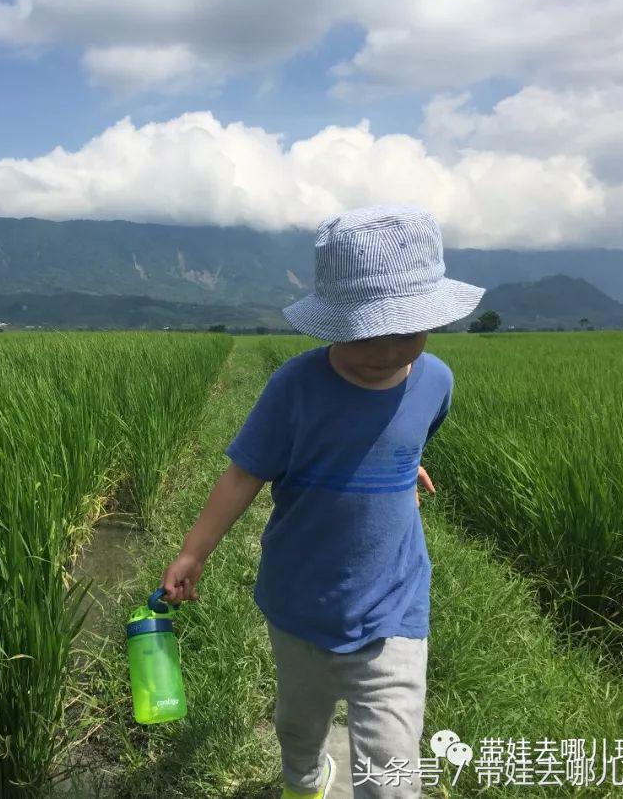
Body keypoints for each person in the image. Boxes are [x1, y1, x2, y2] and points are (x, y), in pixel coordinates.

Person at [160, 204, 484, 799]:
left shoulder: (435, 379)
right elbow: (242, 476)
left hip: (394, 608)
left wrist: (406, 464)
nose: (387, 351)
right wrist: (193, 551)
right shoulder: (295, 387)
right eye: (367, 332)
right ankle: (306, 781)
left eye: (406, 331)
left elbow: (409, 433)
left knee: (392, 770)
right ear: (333, 324)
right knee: (298, 728)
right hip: (301, 604)